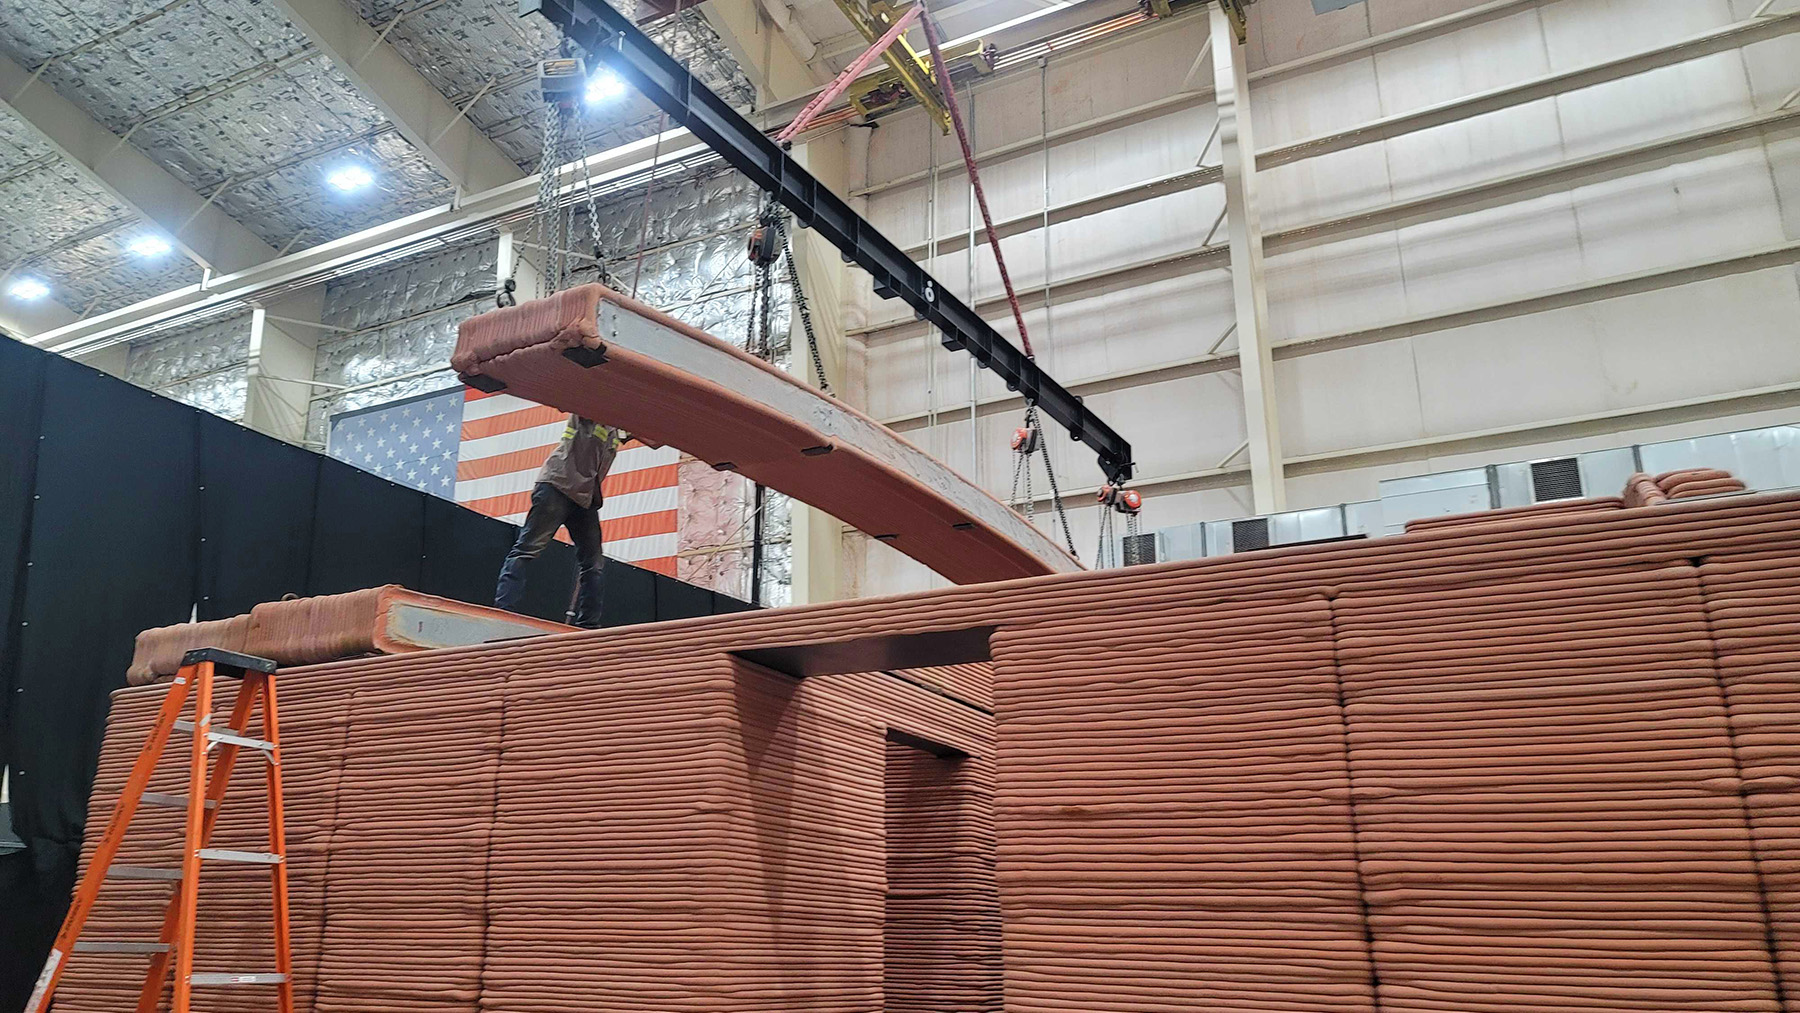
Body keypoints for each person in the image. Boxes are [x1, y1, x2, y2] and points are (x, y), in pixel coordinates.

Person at [494, 415, 628, 628]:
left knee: (594, 564)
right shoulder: (588, 411)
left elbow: (653, 437)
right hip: (557, 487)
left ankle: (589, 626)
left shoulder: (618, 430)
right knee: (527, 548)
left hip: (584, 498)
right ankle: (503, 611)